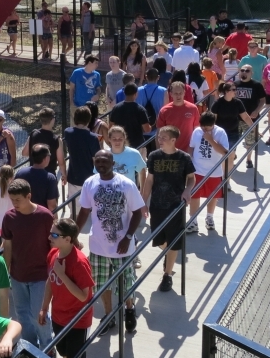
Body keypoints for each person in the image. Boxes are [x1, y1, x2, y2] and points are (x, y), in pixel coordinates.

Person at [76, 151, 146, 332]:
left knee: (126, 283)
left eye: (105, 161)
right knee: (100, 283)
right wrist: (74, 234)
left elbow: (138, 212)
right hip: (98, 245)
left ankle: (129, 308)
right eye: (98, 160)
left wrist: (128, 237)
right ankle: (109, 315)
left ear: (112, 163)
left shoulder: (126, 184)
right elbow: (84, 211)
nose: (101, 164)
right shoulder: (89, 183)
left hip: (122, 246)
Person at [0, 179, 54, 348]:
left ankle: (47, 347)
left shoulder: (45, 216)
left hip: (40, 276)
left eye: (18, 199)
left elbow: (53, 244)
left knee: (39, 315)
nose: (14, 203)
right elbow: (7, 246)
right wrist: (5, 272)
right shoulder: (9, 217)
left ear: (28, 196)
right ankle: (31, 348)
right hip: (17, 276)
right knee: (22, 315)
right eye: (12, 199)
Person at [143, 126, 196, 294]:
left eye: (164, 137)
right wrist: (143, 201)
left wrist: (188, 190)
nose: (160, 140)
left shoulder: (184, 158)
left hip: (176, 206)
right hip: (157, 205)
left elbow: (191, 179)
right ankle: (169, 256)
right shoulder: (153, 156)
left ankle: (167, 275)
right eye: (159, 137)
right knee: (158, 240)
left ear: (173, 140)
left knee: (174, 241)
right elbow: (149, 180)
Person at [40, 218, 94, 358]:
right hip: (58, 317)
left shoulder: (79, 262)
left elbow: (85, 296)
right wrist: (44, 308)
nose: (49, 237)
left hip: (78, 321)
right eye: (50, 234)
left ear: (68, 239)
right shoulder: (52, 254)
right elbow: (50, 281)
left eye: (54, 235)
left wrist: (62, 275)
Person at [188, 112, 230, 233]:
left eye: (208, 127)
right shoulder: (196, 131)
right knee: (194, 195)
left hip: (214, 172)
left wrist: (211, 140)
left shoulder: (220, 132)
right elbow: (191, 147)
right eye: (203, 127)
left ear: (213, 124)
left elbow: (224, 151)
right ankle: (193, 221)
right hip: (197, 170)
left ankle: (209, 217)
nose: (205, 129)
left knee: (212, 196)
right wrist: (189, 158)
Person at [60, 106, 102, 201]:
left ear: (75, 119)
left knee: (74, 209)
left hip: (72, 177)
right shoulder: (92, 138)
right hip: (89, 178)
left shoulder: (67, 132)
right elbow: (96, 160)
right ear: (88, 120)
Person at [210, 82, 252, 175]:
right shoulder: (218, 103)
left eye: (235, 89)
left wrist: (254, 128)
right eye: (233, 90)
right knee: (223, 156)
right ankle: (222, 178)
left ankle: (227, 180)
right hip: (220, 135)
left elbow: (245, 117)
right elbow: (213, 119)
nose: (235, 91)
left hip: (233, 133)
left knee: (231, 156)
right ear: (226, 91)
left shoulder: (237, 102)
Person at [234, 64, 267, 167]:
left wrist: (257, 110)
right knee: (233, 141)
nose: (244, 72)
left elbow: (262, 100)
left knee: (249, 142)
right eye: (242, 70)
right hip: (235, 119)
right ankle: (232, 157)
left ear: (251, 73)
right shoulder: (235, 84)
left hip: (251, 119)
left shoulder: (257, 85)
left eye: (247, 71)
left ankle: (248, 159)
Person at [156, 81, 201, 152]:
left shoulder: (193, 109)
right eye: (176, 93)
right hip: (169, 151)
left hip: (188, 151)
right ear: (171, 94)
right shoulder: (164, 111)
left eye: (180, 93)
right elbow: (159, 133)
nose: (178, 96)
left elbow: (197, 130)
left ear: (184, 93)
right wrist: (160, 151)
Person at [109, 84, 152, 154]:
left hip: (121, 144)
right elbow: (147, 129)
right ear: (136, 93)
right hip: (138, 145)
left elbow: (110, 127)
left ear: (124, 93)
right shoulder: (140, 109)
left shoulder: (116, 108)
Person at [15, 144, 59, 211]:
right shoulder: (50, 178)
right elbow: (51, 205)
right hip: (42, 217)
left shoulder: (20, 173)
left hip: (23, 215)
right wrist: (55, 219)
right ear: (46, 158)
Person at [21, 108, 62, 178]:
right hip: (49, 176)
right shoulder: (56, 139)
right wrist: (64, 174)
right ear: (52, 120)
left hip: (33, 174)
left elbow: (24, 153)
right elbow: (61, 162)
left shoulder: (34, 133)